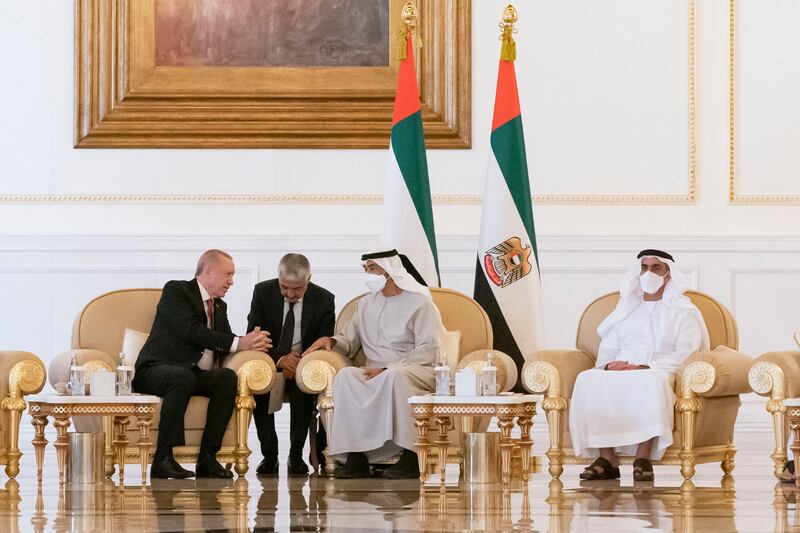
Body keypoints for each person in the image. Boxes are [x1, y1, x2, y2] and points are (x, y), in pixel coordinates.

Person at [568, 249, 709, 482]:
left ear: (668, 275)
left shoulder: (683, 312)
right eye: (644, 268)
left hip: (658, 370)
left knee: (651, 381)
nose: (648, 273)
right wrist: (608, 366)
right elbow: (607, 349)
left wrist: (643, 367)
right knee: (588, 378)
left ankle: (643, 457)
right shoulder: (626, 309)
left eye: (656, 268)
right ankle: (607, 458)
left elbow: (687, 352)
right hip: (620, 369)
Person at [303, 249, 445, 479]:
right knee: (347, 377)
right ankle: (355, 457)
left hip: (416, 368)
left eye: (372, 269)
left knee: (393, 376)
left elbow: (429, 349)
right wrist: (330, 340)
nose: (367, 275)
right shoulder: (366, 304)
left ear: (389, 271)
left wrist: (389, 368)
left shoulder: (421, 303)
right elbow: (349, 341)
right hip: (375, 370)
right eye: (365, 270)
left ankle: (410, 456)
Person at [134, 249, 271, 479]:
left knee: (226, 378)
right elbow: (191, 332)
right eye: (228, 274)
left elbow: (225, 341)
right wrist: (239, 343)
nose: (232, 281)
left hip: (189, 373)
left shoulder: (219, 306)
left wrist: (251, 343)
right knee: (182, 376)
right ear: (208, 271)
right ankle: (163, 459)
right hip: (154, 370)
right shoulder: (177, 291)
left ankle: (208, 458)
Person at [247, 253, 335, 476]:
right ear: (278, 278)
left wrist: (300, 363)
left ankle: (296, 457)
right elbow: (254, 335)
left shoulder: (324, 299)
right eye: (285, 287)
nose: (290, 294)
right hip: (271, 361)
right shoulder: (263, 292)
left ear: (308, 280)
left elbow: (323, 341)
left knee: (304, 388)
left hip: (304, 365)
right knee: (260, 384)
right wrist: (280, 359)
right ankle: (269, 457)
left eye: (297, 289)